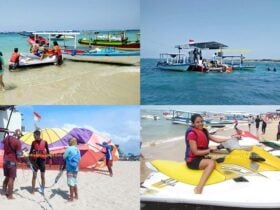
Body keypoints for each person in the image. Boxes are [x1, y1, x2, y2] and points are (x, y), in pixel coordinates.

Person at [185, 114, 228, 194]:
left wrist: (228, 140)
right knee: (211, 163)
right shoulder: (192, 134)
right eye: (197, 122)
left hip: (202, 156)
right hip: (193, 160)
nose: (200, 123)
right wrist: (209, 150)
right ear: (193, 123)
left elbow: (215, 139)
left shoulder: (204, 130)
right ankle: (199, 188)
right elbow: (195, 152)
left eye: (201, 121)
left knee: (221, 154)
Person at [2, 129, 22, 199]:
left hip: (5, 161)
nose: (20, 137)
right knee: (11, 178)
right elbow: (19, 155)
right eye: (20, 136)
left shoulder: (7, 138)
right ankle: (10, 195)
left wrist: (6, 135)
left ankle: (4, 190)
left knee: (7, 176)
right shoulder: (18, 142)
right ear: (18, 135)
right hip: (12, 162)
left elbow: (3, 141)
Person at [29, 130, 51, 194]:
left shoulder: (45, 142)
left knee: (42, 176)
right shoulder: (33, 143)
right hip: (35, 161)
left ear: (38, 135)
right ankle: (33, 190)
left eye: (34, 136)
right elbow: (30, 152)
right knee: (34, 176)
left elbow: (48, 151)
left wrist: (50, 159)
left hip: (42, 161)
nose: (33, 137)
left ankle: (42, 189)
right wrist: (29, 159)